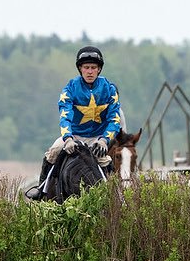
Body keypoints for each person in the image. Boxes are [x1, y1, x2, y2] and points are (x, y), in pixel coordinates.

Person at [25, 46, 123, 200]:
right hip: (74, 135)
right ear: (80, 69)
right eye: (86, 68)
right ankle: (41, 188)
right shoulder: (70, 88)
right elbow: (65, 115)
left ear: (99, 70)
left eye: (93, 68)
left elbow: (114, 118)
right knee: (54, 151)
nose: (90, 71)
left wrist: (105, 140)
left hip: (98, 138)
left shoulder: (109, 90)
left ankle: (117, 197)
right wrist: (68, 138)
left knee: (106, 160)